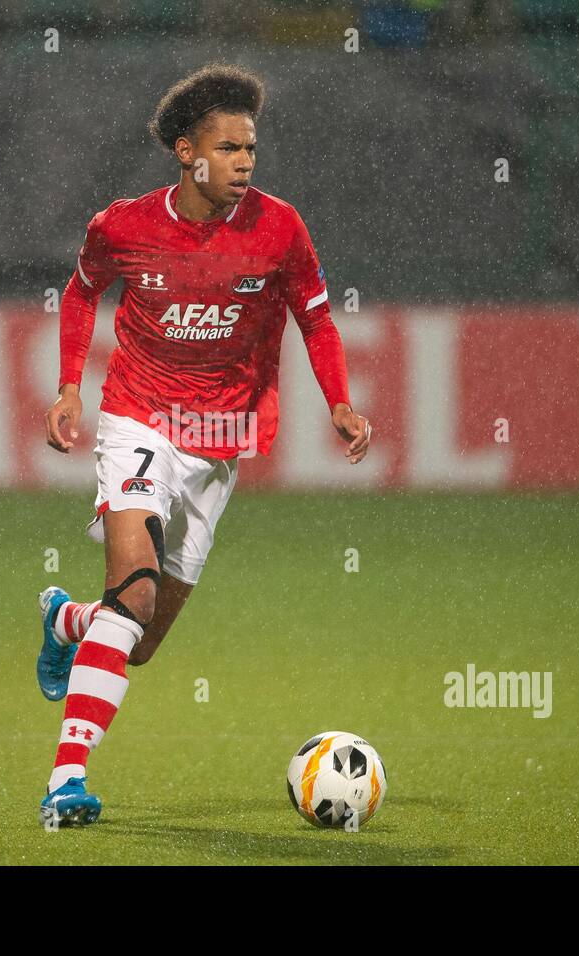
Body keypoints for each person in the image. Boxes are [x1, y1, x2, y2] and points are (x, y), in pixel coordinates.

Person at [36, 63, 372, 827]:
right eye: (228, 148)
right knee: (137, 588)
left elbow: (316, 318)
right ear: (187, 152)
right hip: (139, 418)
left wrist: (341, 403)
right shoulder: (121, 225)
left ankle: (67, 622)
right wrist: (68, 386)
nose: (245, 162)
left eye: (251, 148)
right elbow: (83, 288)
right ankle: (66, 783)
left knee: (139, 639)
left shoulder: (280, 228)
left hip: (221, 442)